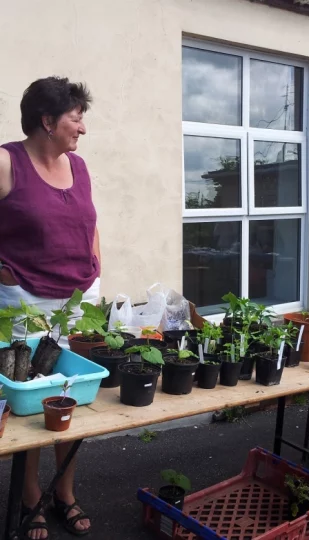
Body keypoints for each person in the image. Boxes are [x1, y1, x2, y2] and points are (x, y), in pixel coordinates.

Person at [0, 77, 100, 538]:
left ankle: (65, 493)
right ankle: (30, 499)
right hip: (26, 300)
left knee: (70, 395)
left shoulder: (78, 167)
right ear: (46, 120)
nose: (82, 128)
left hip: (77, 298)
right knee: (31, 401)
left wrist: (98, 266)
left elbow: (90, 223)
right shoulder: (6, 163)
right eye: (75, 117)